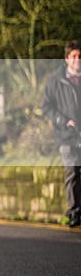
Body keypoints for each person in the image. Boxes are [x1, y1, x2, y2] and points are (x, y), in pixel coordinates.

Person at [42, 40, 81, 228]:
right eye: (74, 56)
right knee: (72, 173)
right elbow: (46, 108)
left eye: (80, 56)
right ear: (67, 59)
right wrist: (62, 120)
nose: (77, 60)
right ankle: (74, 212)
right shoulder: (55, 82)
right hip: (67, 136)